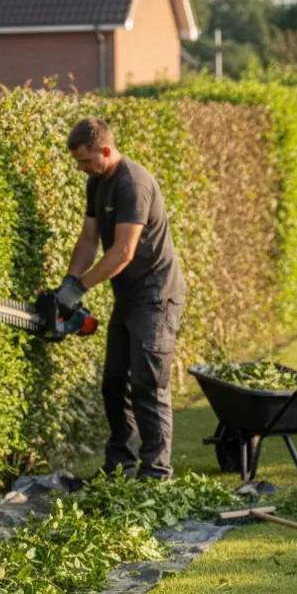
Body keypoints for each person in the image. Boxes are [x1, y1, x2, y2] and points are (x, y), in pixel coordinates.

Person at [53, 118, 186, 481]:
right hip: (128, 296)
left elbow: (124, 252)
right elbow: (89, 240)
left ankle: (155, 474)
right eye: (78, 162)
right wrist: (67, 283)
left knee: (148, 384)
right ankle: (120, 467)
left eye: (86, 161)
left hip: (156, 296)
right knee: (114, 383)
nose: (82, 169)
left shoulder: (133, 184)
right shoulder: (97, 183)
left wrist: (79, 290)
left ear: (106, 151)